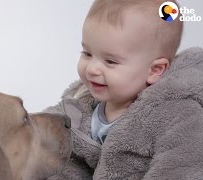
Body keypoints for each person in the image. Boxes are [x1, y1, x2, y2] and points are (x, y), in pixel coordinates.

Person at [44, 0, 203, 179]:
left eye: (110, 61)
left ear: (154, 70)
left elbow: (180, 170)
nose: (91, 69)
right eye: (87, 54)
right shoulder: (81, 107)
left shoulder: (177, 116)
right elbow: (67, 158)